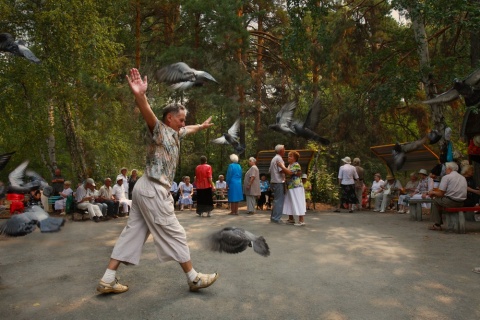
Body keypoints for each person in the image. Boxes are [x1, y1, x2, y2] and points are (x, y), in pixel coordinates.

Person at [96, 68, 217, 295]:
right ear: (169, 119)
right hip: (153, 189)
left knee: (133, 233)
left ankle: (108, 279)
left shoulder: (175, 133)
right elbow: (147, 113)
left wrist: (199, 127)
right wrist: (140, 95)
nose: (184, 123)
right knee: (175, 232)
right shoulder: (160, 130)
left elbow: (187, 130)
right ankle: (194, 278)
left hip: (144, 187)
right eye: (181, 119)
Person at [427, 162, 467, 231]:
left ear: (449, 168)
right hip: (462, 202)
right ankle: (438, 222)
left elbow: (441, 193)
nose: (445, 170)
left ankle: (437, 224)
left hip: (451, 202)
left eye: (446, 169)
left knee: (435, 200)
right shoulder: (462, 177)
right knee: (439, 200)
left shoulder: (446, 177)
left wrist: (432, 192)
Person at [278, 151, 306, 225]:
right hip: (291, 186)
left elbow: (290, 172)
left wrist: (281, 166)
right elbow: (287, 172)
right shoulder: (290, 165)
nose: (289, 157)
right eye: (288, 156)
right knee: (289, 202)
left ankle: (301, 220)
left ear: (295, 158)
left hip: (296, 187)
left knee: (297, 201)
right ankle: (291, 218)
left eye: (291, 156)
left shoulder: (296, 165)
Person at [269, 144, 286, 223]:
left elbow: (270, 171)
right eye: (284, 149)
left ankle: (273, 217)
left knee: (276, 200)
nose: (285, 151)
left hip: (273, 181)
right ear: (280, 151)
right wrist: (288, 171)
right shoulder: (279, 158)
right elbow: (281, 170)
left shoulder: (274, 158)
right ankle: (276, 218)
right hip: (278, 181)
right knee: (279, 200)